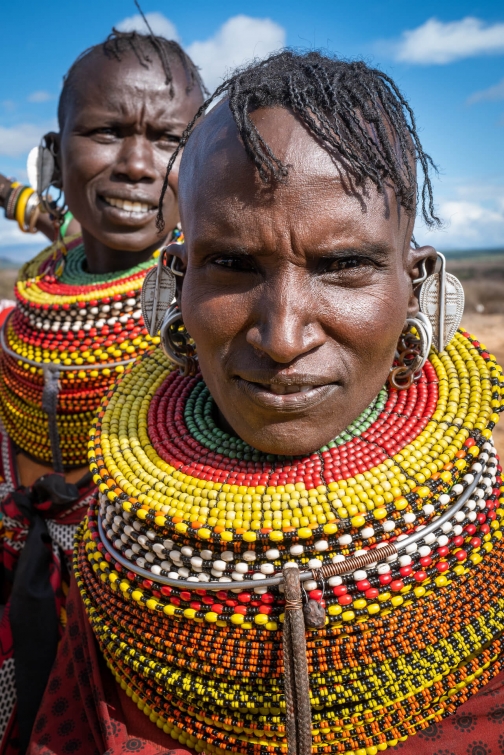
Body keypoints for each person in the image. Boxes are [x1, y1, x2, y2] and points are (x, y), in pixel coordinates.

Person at [29, 51, 504, 755]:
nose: (282, 337)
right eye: (233, 265)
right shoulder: (115, 541)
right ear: (174, 285)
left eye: (344, 265)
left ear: (420, 284)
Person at [0, 27, 204, 754]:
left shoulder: (227, 317)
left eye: (171, 141)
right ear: (56, 152)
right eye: (107, 132)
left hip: (159, 633)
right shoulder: (19, 320)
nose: (138, 166)